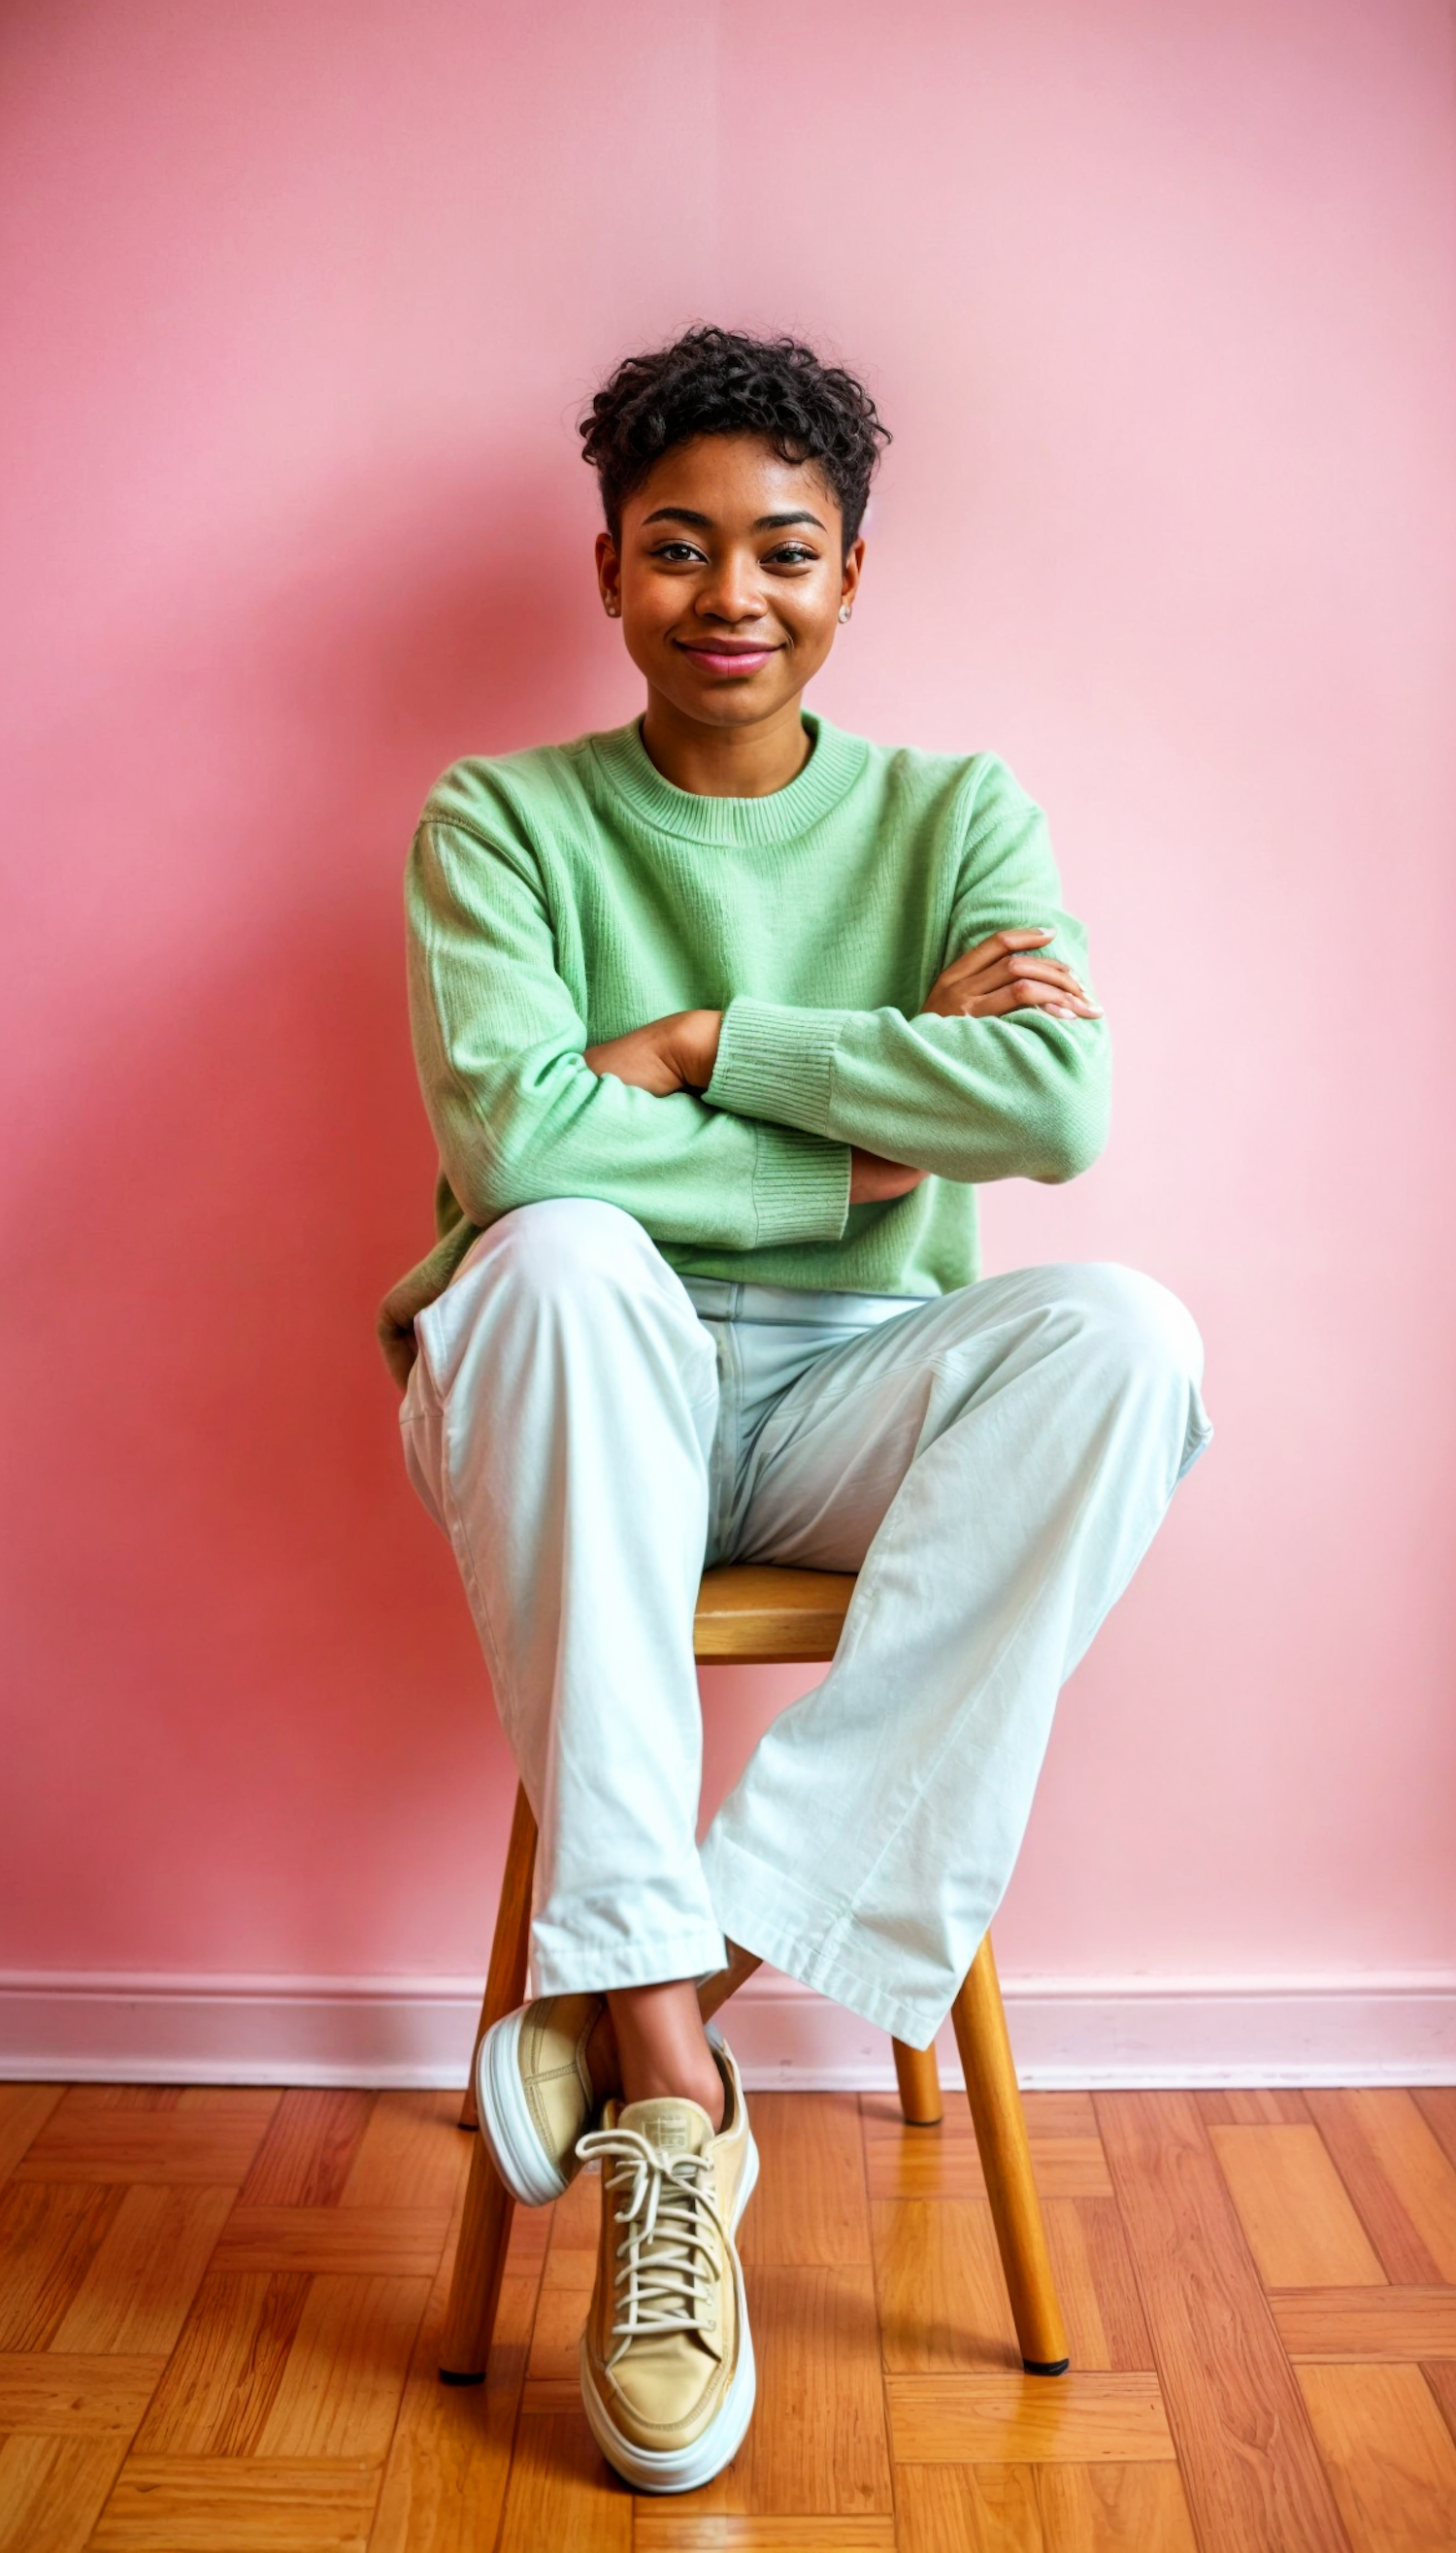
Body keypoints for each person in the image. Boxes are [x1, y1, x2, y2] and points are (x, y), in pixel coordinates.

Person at [380, 325, 1211, 2495]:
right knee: (554, 1254)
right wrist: (860, 1127)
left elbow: (1055, 1099)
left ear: (852, 575)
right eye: (677, 550)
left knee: (1124, 1336)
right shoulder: (500, 823)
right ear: (607, 571)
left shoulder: (957, 812)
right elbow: (516, 1142)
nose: (726, 593)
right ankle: (676, 2092)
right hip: (585, 1385)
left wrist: (704, 1043)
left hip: (859, 1390)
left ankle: (661, 1990)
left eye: (780, 550)